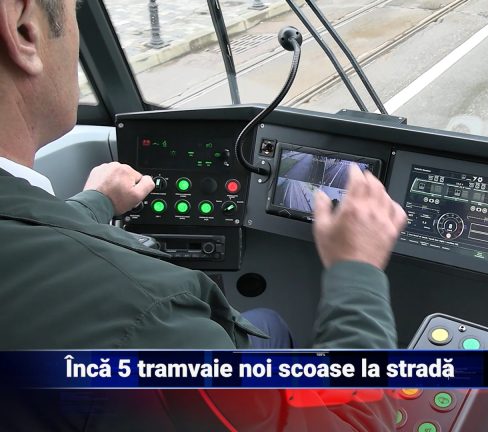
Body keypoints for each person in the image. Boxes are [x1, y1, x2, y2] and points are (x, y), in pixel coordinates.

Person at [0, 0, 407, 429]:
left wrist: (93, 203)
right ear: (24, 28)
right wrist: (356, 269)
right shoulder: (151, 314)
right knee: (268, 326)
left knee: (264, 322)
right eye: (77, 11)